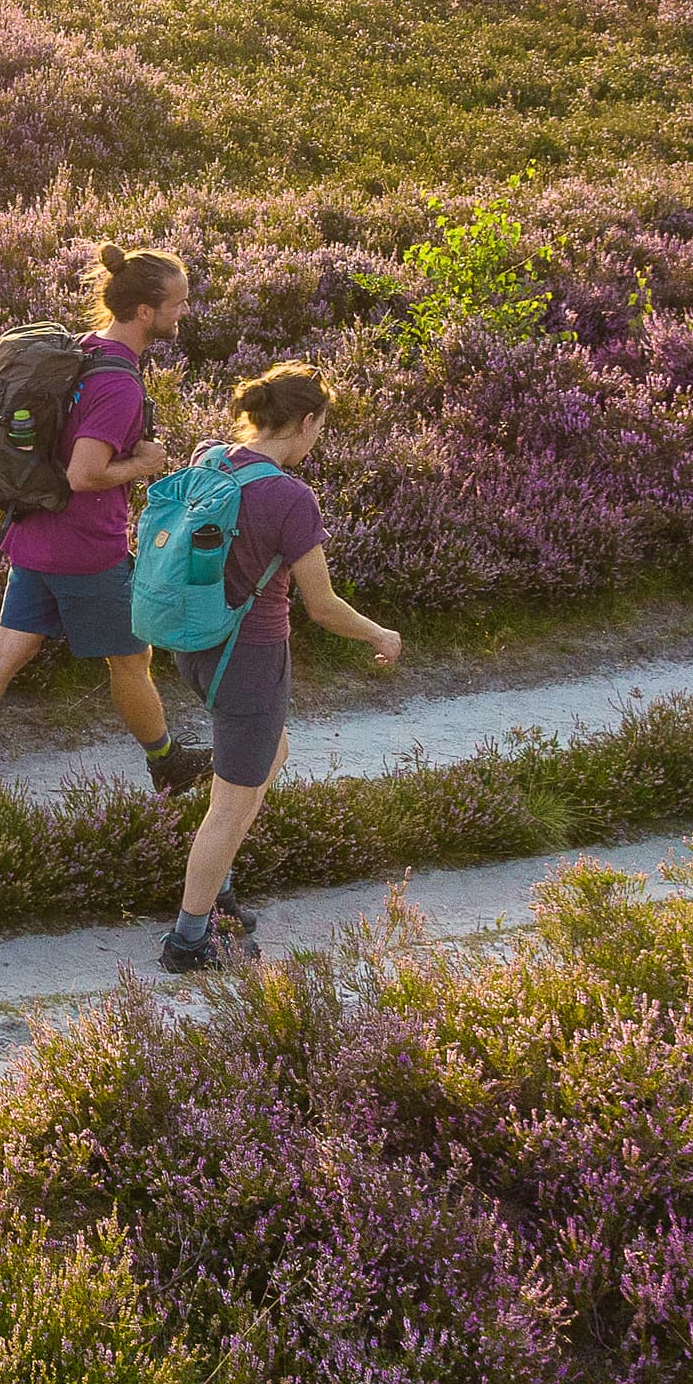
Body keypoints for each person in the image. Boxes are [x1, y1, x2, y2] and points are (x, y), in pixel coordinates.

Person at [0, 245, 214, 814]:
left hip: (34, 535)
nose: (183, 313)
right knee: (131, 660)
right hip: (86, 549)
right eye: (176, 305)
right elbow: (86, 473)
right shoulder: (119, 385)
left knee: (6, 650)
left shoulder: (81, 352)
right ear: (143, 312)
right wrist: (146, 464)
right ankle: (167, 766)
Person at [156, 364, 402, 974]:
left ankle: (220, 892)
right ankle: (190, 940)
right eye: (322, 426)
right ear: (308, 421)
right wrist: (378, 633)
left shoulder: (211, 459)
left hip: (194, 646)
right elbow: (322, 605)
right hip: (251, 662)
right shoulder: (291, 497)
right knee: (232, 805)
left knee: (273, 752)